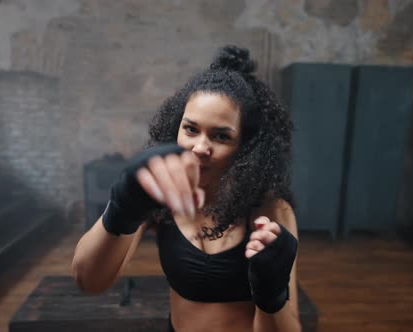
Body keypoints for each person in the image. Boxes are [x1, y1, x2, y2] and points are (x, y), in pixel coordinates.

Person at [72, 45, 301, 332]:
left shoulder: (269, 211)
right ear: (176, 127)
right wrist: (121, 208)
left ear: (245, 147)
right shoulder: (161, 197)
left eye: (220, 136)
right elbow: (89, 281)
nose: (200, 147)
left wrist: (272, 297)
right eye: (191, 129)